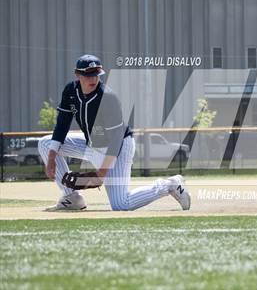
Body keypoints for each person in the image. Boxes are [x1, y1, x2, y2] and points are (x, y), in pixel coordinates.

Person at [38, 54, 191, 211]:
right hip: (92, 144)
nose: (93, 79)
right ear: (78, 74)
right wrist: (51, 158)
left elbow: (115, 140)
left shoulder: (107, 97)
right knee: (45, 143)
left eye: (96, 74)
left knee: (121, 204)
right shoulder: (70, 91)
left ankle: (170, 185)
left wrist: (101, 174)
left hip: (118, 147)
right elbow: (62, 125)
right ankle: (72, 198)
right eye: (88, 74)